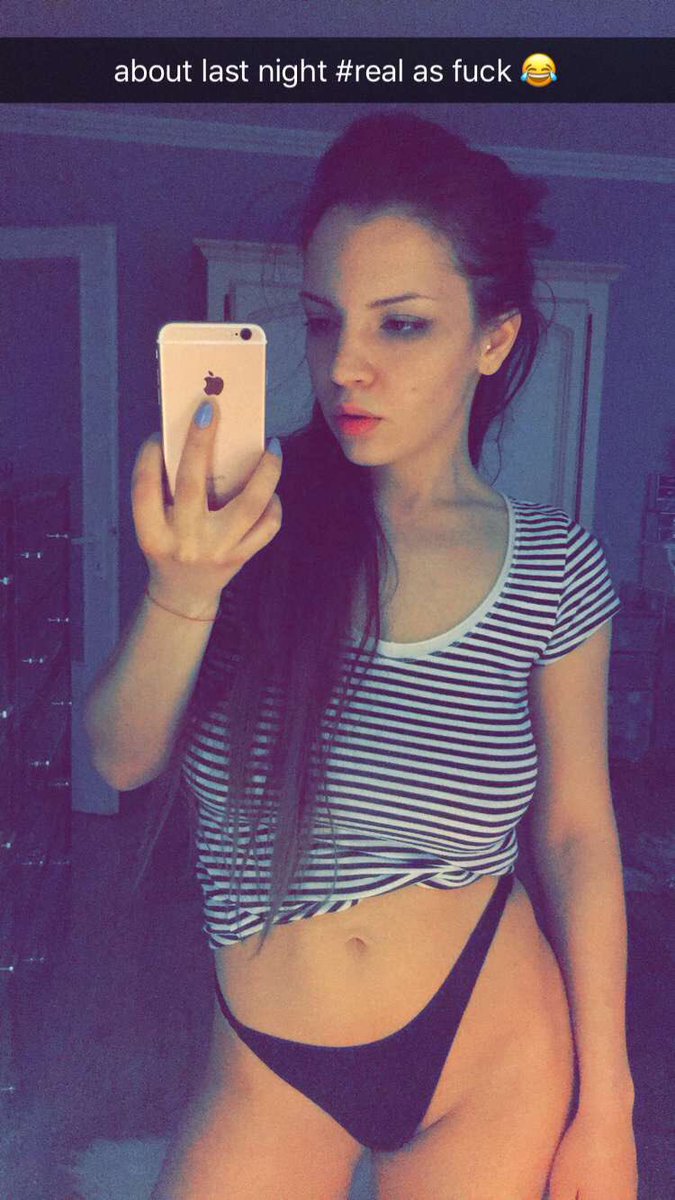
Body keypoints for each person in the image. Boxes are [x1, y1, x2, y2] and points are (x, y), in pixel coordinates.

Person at [84, 112, 638, 1199]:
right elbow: (118, 758)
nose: (345, 366)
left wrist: (607, 1107)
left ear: (493, 339)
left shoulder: (553, 568)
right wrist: (181, 591)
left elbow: (577, 834)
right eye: (324, 320)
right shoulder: (246, 520)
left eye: (403, 326)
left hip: (491, 1049)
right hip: (267, 1067)